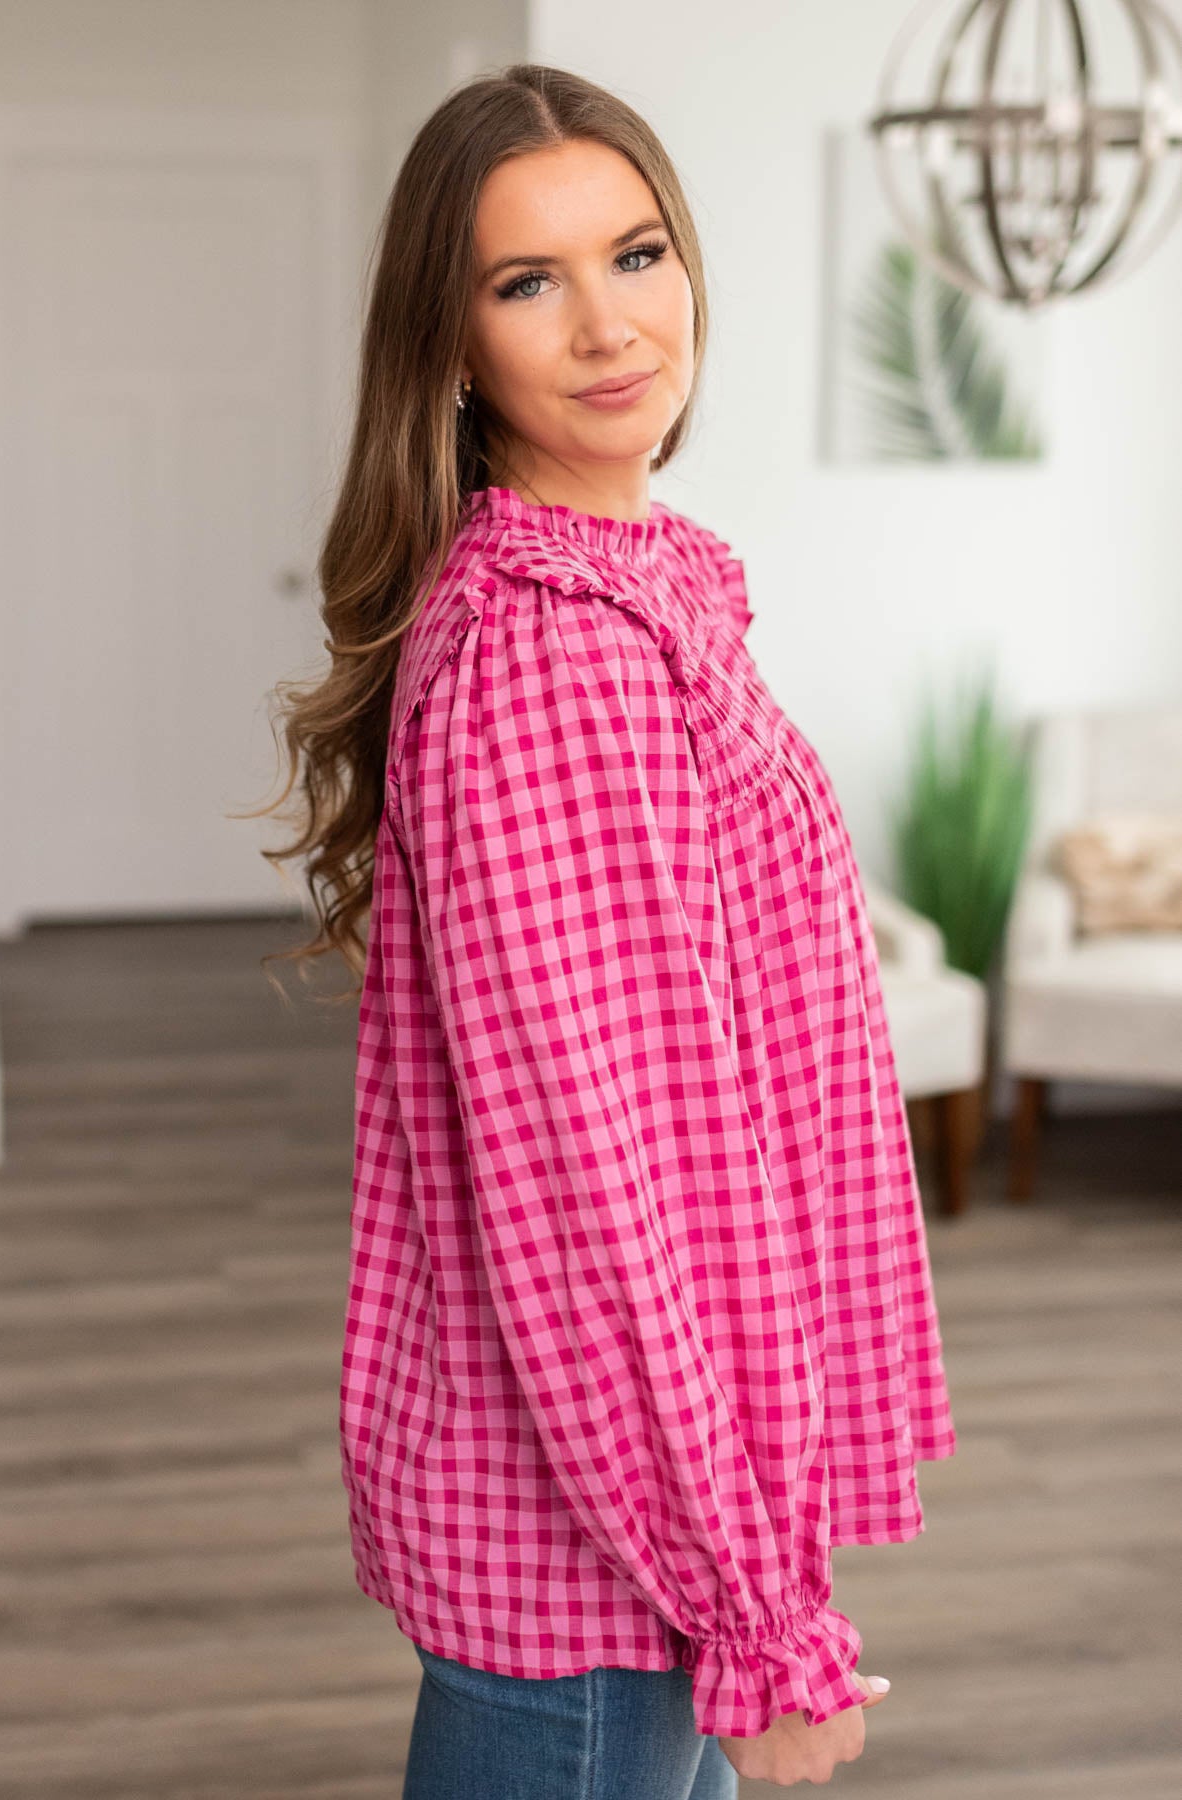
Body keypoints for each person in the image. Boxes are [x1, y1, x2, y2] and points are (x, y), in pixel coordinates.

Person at [261, 61, 956, 1797]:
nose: (606, 325)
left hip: (635, 1520)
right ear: (453, 344)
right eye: (526, 282)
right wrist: (756, 1606)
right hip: (592, 1542)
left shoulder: (646, 581)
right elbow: (607, 1180)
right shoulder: (549, 651)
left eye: (635, 254)